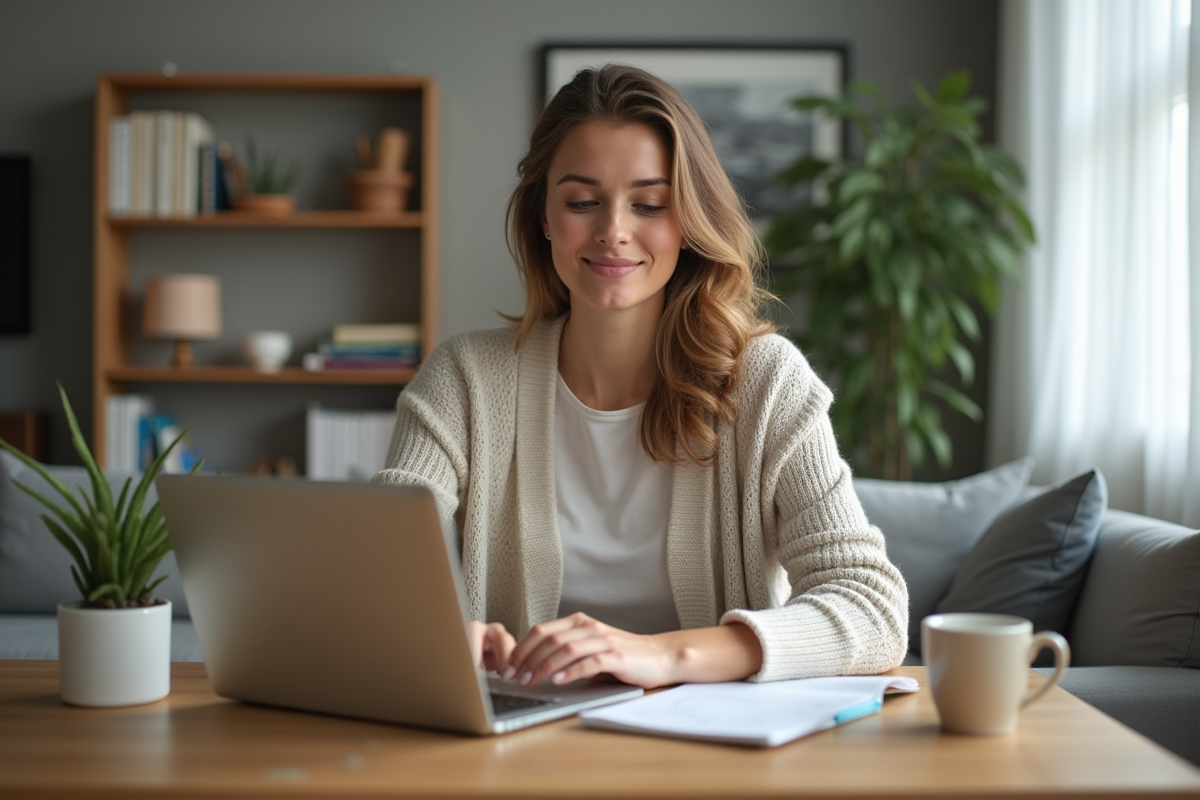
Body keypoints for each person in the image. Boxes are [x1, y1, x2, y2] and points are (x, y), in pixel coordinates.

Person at [373, 64, 907, 689]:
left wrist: (662, 655)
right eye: (582, 202)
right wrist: (428, 626)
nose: (613, 233)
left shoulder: (767, 383)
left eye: (649, 205)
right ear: (544, 216)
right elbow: (377, 568)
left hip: (710, 738)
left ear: (689, 224)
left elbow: (873, 609)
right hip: (521, 735)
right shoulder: (464, 380)